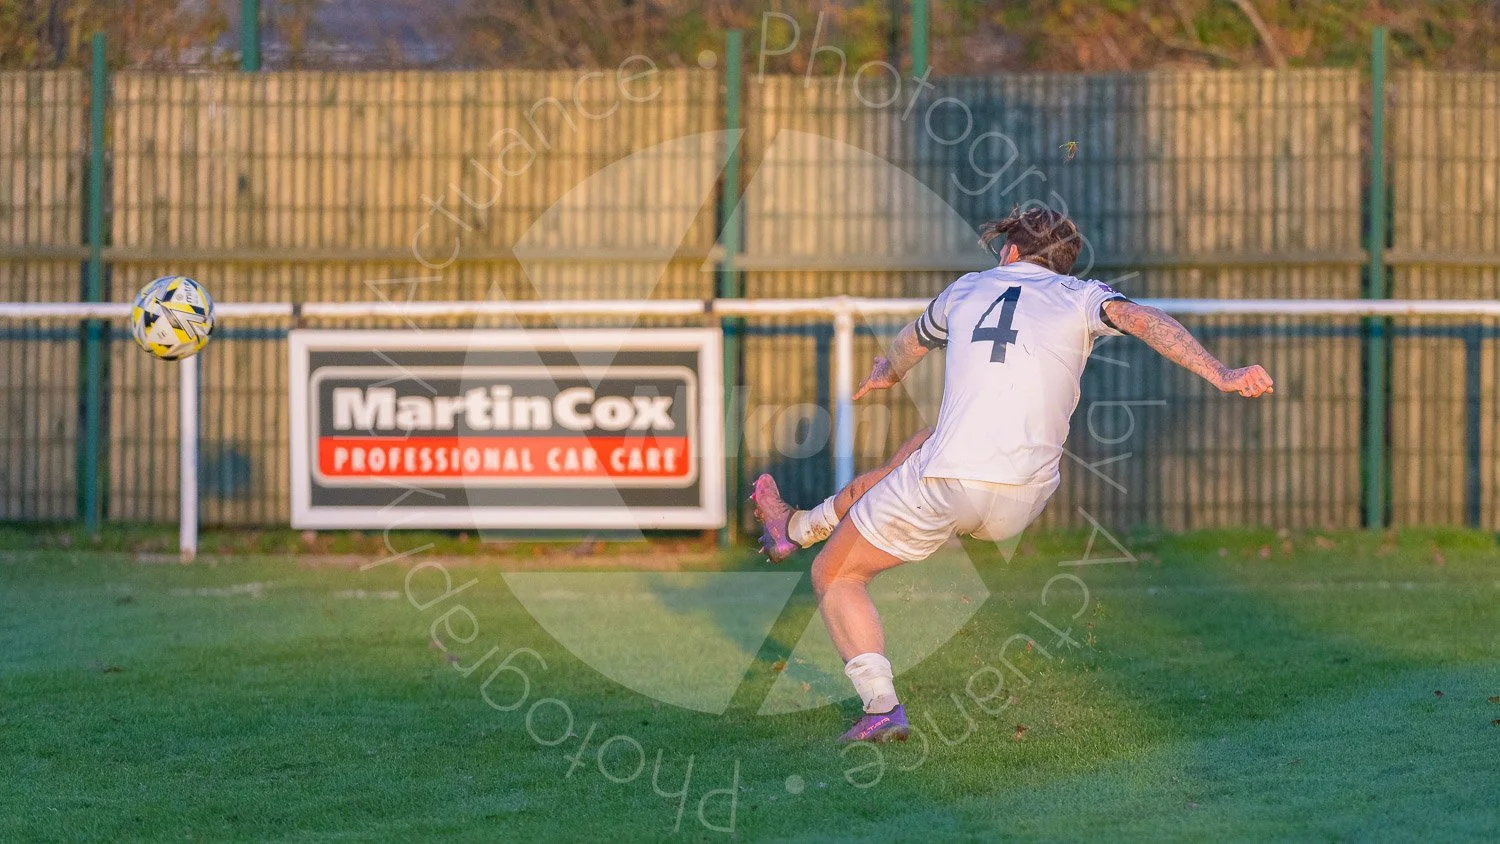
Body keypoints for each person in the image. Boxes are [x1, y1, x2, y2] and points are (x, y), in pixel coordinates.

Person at [751, 208, 1275, 742]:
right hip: (1025, 498)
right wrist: (1223, 373)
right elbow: (1145, 320)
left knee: (837, 575)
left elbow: (912, 340)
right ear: (1064, 264)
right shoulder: (1082, 296)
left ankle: (881, 705)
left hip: (949, 485)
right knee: (912, 453)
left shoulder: (967, 289)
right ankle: (795, 528)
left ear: (1011, 252)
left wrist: (888, 371)